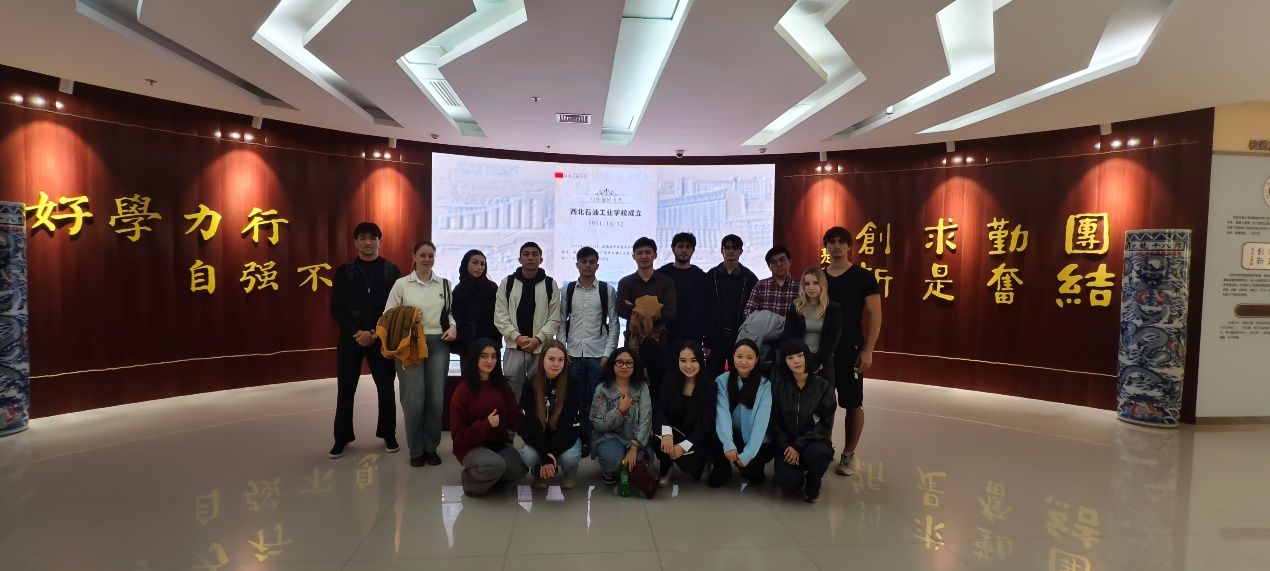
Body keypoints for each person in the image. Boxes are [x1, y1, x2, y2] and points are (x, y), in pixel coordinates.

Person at [329, 222, 402, 459]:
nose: (368, 242)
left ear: (381, 241)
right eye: (363, 238)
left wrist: (373, 332)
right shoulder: (344, 271)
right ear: (355, 242)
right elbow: (336, 308)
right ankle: (341, 438)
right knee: (346, 389)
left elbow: (394, 309)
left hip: (380, 339)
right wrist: (357, 333)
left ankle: (388, 434)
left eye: (373, 238)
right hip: (350, 339)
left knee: (386, 388)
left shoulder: (392, 271)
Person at [383, 241, 455, 467]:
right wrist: (409, 315)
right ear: (413, 256)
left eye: (431, 255)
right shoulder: (402, 284)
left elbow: (450, 313)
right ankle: (416, 450)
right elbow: (387, 315)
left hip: (439, 343)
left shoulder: (445, 284)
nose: (427, 259)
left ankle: (430, 448)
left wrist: (453, 326)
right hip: (410, 344)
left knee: (436, 400)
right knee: (414, 399)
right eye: (422, 255)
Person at [821, 226, 882, 476]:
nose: (836, 246)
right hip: (822, 351)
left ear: (849, 246)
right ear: (826, 246)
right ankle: (824, 448)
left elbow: (875, 314)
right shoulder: (819, 277)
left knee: (853, 402)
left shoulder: (863, 277)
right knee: (822, 403)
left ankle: (848, 454)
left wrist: (869, 349)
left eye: (841, 242)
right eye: (831, 242)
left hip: (850, 349)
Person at [559, 246, 619, 457]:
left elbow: (614, 323)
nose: (587, 265)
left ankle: (597, 440)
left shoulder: (606, 290)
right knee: (576, 401)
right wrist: (563, 349)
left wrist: (608, 353)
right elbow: (561, 321)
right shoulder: (567, 289)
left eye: (591, 262)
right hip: (573, 355)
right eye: (583, 261)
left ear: (597, 265)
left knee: (598, 400)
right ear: (577, 264)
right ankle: (582, 440)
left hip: (598, 355)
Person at [450, 338, 528, 497]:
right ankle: (470, 481)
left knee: (520, 470)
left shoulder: (502, 385)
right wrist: (485, 424)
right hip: (470, 446)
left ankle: (490, 477)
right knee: (495, 465)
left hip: (497, 444)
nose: (490, 361)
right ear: (475, 358)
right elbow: (458, 436)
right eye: (484, 356)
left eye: (493, 356)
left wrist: (535, 437)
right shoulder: (462, 391)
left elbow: (515, 417)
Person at [770, 338, 836, 503]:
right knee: (786, 481)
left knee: (816, 455)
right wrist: (787, 446)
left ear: (807, 356)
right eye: (790, 357)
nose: (796, 361)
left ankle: (813, 477)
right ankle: (798, 473)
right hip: (787, 445)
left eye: (799, 355)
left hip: (814, 443)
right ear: (784, 362)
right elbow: (774, 422)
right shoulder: (778, 386)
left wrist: (798, 445)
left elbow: (825, 424)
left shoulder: (823, 387)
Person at [494, 242, 562, 398]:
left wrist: (538, 339)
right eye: (526, 254)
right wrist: (517, 337)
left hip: (541, 348)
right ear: (519, 259)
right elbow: (500, 316)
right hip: (514, 346)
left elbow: (554, 318)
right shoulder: (507, 283)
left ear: (541, 259)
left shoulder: (550, 284)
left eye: (534, 254)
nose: (530, 258)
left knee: (539, 392)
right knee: (511, 393)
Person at [616, 237, 676, 409]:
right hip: (633, 342)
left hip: (658, 342)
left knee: (660, 388)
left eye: (648, 252)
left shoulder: (666, 282)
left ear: (655, 255)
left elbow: (669, 312)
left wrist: (636, 308)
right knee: (632, 386)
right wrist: (654, 307)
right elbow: (621, 309)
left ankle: (658, 423)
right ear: (633, 256)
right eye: (640, 253)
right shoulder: (626, 282)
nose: (644, 256)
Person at [517, 340, 585, 489]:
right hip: (540, 435)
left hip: (565, 435)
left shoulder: (573, 383)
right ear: (542, 360)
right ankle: (539, 471)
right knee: (529, 456)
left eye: (560, 360)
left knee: (569, 458)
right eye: (551, 359)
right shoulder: (530, 383)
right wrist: (544, 455)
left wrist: (550, 455)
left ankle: (570, 472)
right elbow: (529, 424)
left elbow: (569, 425)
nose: (556, 364)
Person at [708, 339, 774, 487]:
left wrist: (748, 454)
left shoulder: (765, 385)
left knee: (753, 477)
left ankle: (752, 467)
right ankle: (722, 469)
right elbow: (722, 414)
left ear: (756, 359)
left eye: (749, 357)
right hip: (732, 436)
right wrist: (728, 444)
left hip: (755, 440)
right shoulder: (722, 380)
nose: (744, 362)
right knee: (716, 438)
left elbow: (761, 423)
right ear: (733, 357)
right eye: (739, 356)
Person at [653, 341, 716, 486]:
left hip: (696, 439)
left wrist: (683, 447)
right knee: (657, 437)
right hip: (676, 433)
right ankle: (667, 467)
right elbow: (660, 411)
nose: (688, 366)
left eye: (693, 360)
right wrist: (667, 433)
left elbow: (706, 425)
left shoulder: (710, 386)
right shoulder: (670, 379)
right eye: (683, 360)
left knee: (697, 473)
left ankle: (705, 460)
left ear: (701, 361)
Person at [590, 347, 653, 486]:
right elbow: (597, 423)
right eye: (619, 362)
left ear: (634, 366)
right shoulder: (602, 388)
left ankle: (625, 468)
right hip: (609, 436)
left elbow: (646, 420)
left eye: (629, 363)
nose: (624, 366)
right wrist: (619, 411)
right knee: (612, 459)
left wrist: (634, 447)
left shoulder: (642, 387)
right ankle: (610, 469)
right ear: (612, 364)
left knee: (641, 460)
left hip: (635, 437)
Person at [705, 234, 758, 378]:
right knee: (713, 377)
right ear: (721, 250)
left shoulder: (750, 278)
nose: (731, 251)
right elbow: (705, 308)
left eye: (735, 248)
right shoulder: (710, 276)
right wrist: (707, 338)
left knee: (739, 376)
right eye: (727, 247)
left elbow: (755, 310)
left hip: (739, 335)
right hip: (715, 336)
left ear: (741, 251)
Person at [780, 267, 843, 384]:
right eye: (807, 284)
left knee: (824, 395)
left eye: (815, 283)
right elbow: (789, 336)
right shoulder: (796, 307)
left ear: (822, 285)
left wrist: (816, 363)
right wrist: (798, 360)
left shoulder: (833, 308)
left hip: (823, 362)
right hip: (798, 361)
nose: (811, 287)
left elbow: (832, 340)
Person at [658, 232, 711, 354]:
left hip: (693, 338)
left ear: (693, 250)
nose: (684, 250)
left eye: (688, 247)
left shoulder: (701, 277)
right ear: (673, 248)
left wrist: (707, 339)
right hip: (665, 337)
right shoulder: (662, 275)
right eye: (680, 246)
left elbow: (707, 309)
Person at [451, 249, 501, 362]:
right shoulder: (458, 291)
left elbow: (499, 315)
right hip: (468, 347)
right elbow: (457, 319)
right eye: (475, 262)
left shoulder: (492, 288)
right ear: (466, 264)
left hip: (491, 345)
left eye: (482, 264)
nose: (479, 267)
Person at [744, 246, 801, 317]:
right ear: (769, 267)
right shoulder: (761, 285)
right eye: (774, 262)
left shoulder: (801, 286)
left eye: (782, 260)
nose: (779, 264)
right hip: (765, 324)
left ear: (790, 262)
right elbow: (748, 312)